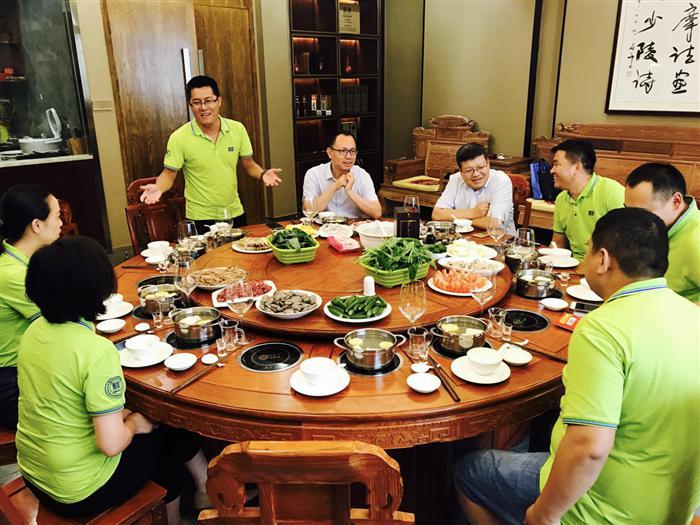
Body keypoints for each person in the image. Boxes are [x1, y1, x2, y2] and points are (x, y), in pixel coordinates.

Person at [454, 208, 700, 525]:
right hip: (675, 505)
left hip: (604, 508)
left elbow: (589, 447)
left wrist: (544, 514)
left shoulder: (603, 329)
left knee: (469, 471)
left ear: (603, 260)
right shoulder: (692, 313)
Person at [17, 236, 209, 525]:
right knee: (164, 434)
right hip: (78, 489)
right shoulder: (96, 351)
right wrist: (134, 424)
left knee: (152, 422)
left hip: (34, 472)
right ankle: (183, 512)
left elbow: (63, 398)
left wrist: (127, 416)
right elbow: (111, 444)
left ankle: (204, 488)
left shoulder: (34, 331)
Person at [140, 75, 282, 232]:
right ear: (190, 105)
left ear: (219, 101)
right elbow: (168, 174)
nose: (203, 107)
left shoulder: (237, 129)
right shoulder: (178, 137)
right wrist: (159, 188)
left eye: (208, 101)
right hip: (200, 217)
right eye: (197, 102)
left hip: (234, 211)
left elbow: (249, 164)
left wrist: (263, 174)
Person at [0, 183, 62, 429]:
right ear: (36, 225)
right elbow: (61, 319)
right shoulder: (12, 274)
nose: (61, 223)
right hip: (12, 384)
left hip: (32, 368)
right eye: (57, 216)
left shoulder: (25, 259)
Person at [625, 162, 700, 303]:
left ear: (676, 201)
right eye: (627, 210)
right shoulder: (658, 226)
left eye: (644, 212)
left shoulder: (695, 241)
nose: (633, 221)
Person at [550, 139, 624, 261]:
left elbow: (626, 246)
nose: (552, 170)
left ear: (577, 167)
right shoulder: (561, 199)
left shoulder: (611, 192)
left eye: (556, 164)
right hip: (574, 266)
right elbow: (557, 243)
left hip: (606, 266)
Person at [432, 143, 515, 235]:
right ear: (461, 171)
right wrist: (473, 212)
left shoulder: (501, 181)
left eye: (480, 167)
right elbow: (437, 214)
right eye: (469, 170)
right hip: (463, 239)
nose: (476, 174)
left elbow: (493, 223)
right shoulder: (455, 179)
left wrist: (462, 221)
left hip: (498, 240)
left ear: (488, 163)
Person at [302, 131, 382, 219]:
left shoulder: (362, 175)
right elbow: (309, 210)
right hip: (323, 226)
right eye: (343, 151)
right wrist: (334, 187)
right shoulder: (314, 174)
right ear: (330, 153)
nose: (348, 156)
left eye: (352, 151)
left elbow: (377, 212)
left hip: (353, 225)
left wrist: (350, 191)